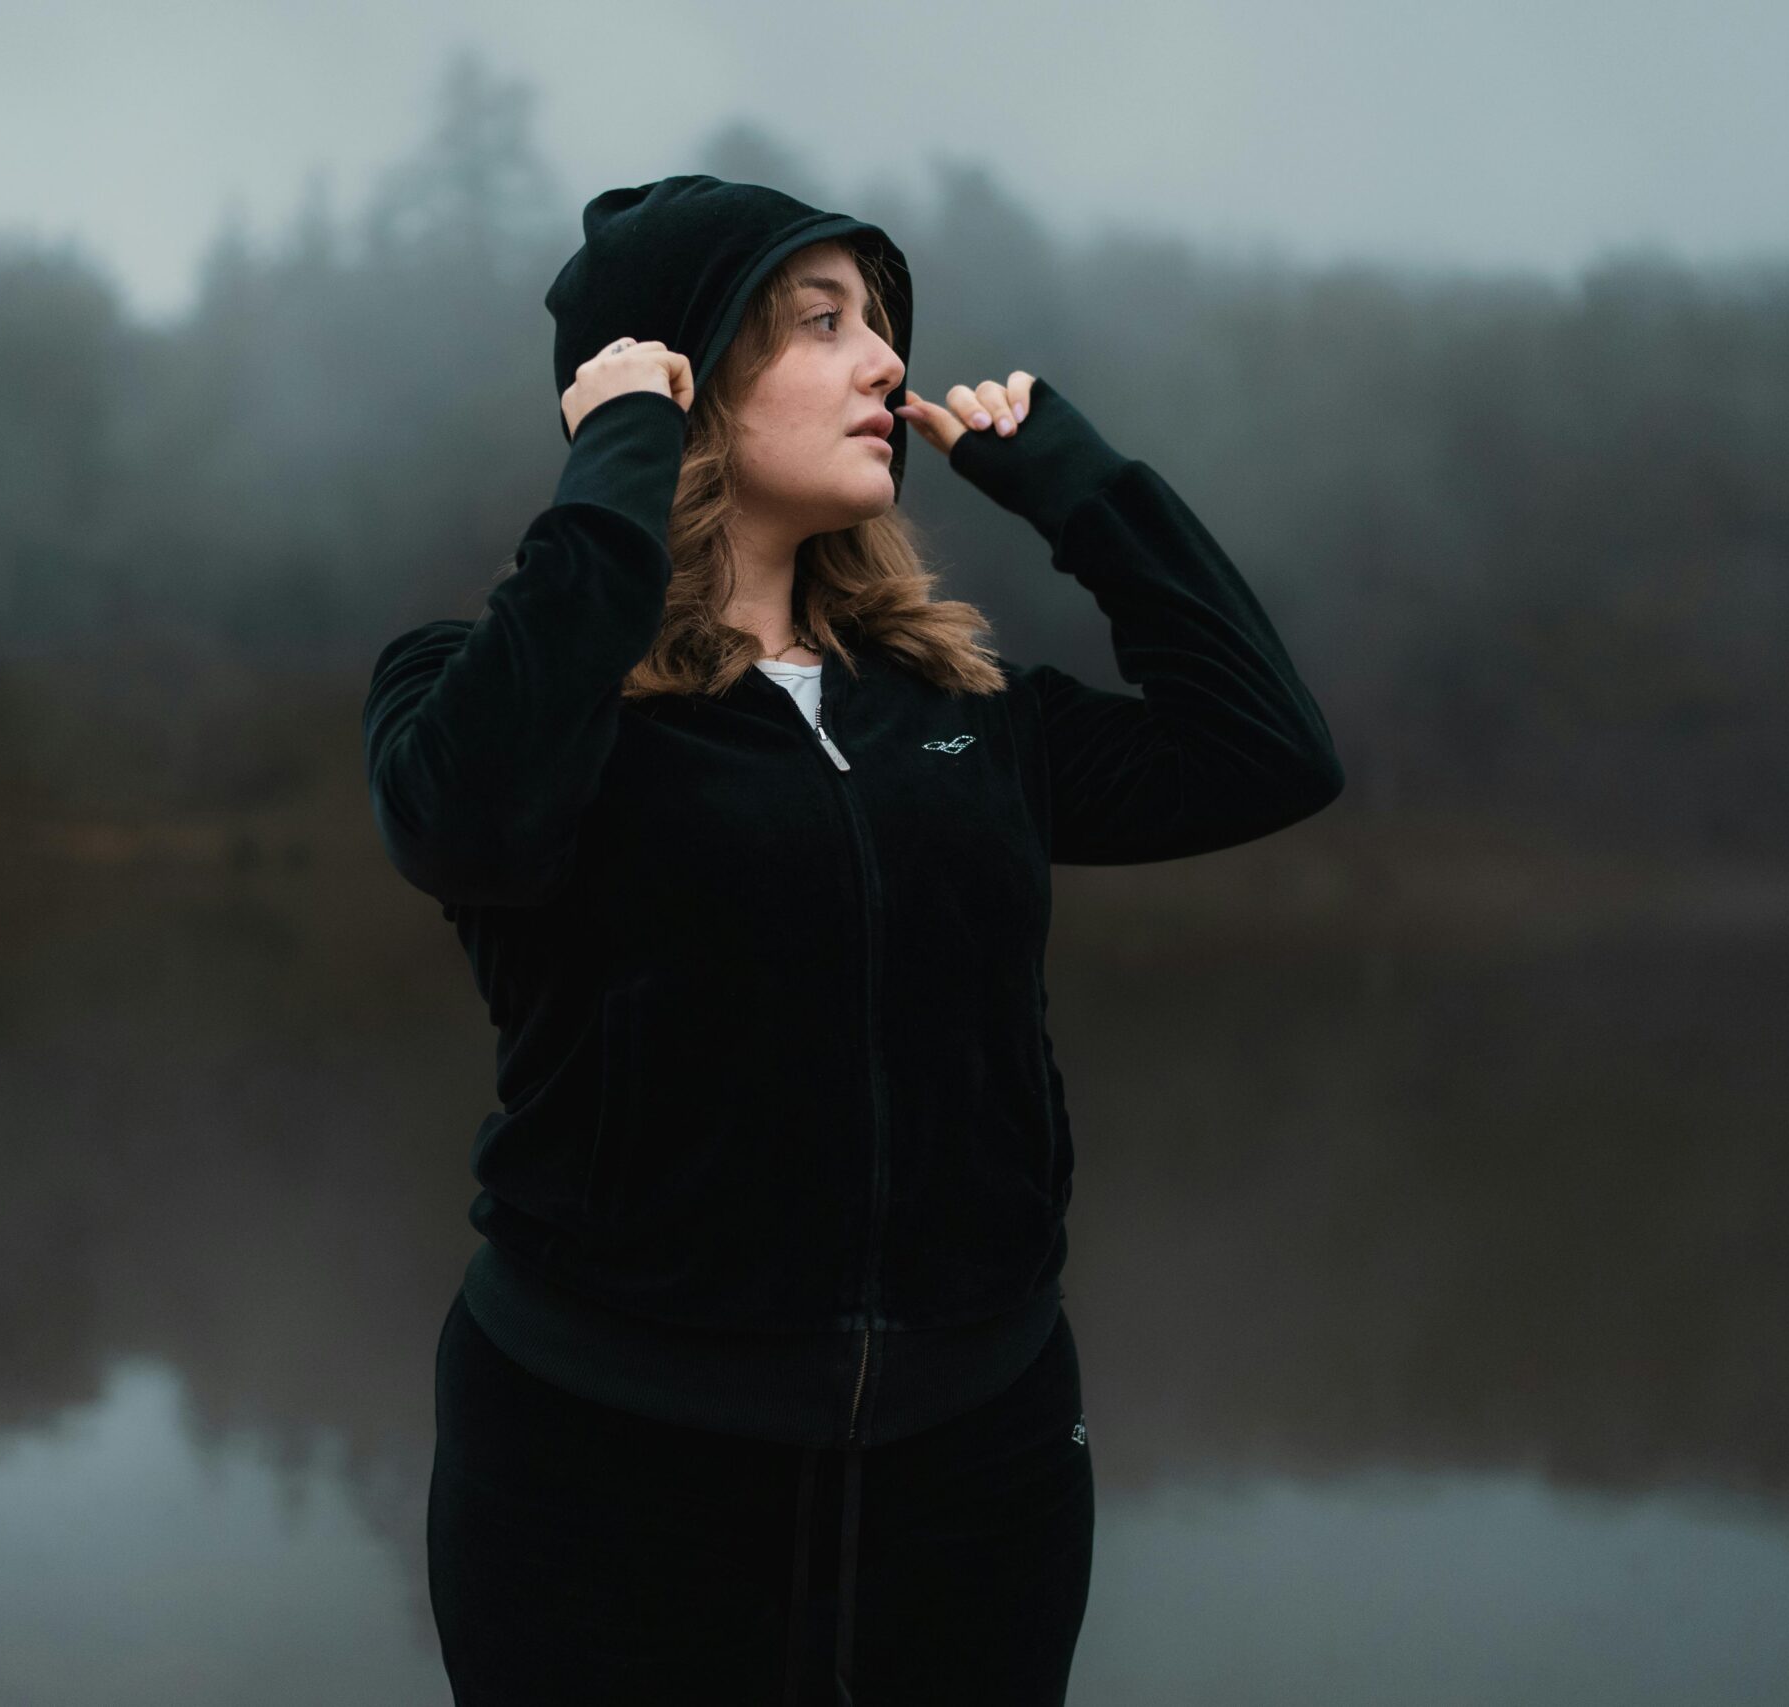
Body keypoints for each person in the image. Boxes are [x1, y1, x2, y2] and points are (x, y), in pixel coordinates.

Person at [363, 174, 1343, 1706]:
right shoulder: (499, 693)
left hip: (979, 1457)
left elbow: (1268, 754)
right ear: (679, 377)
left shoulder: (960, 711)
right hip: (605, 1467)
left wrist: (1080, 487)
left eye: (881, 323)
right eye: (824, 323)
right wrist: (618, 453)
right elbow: (467, 825)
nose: (887, 361)